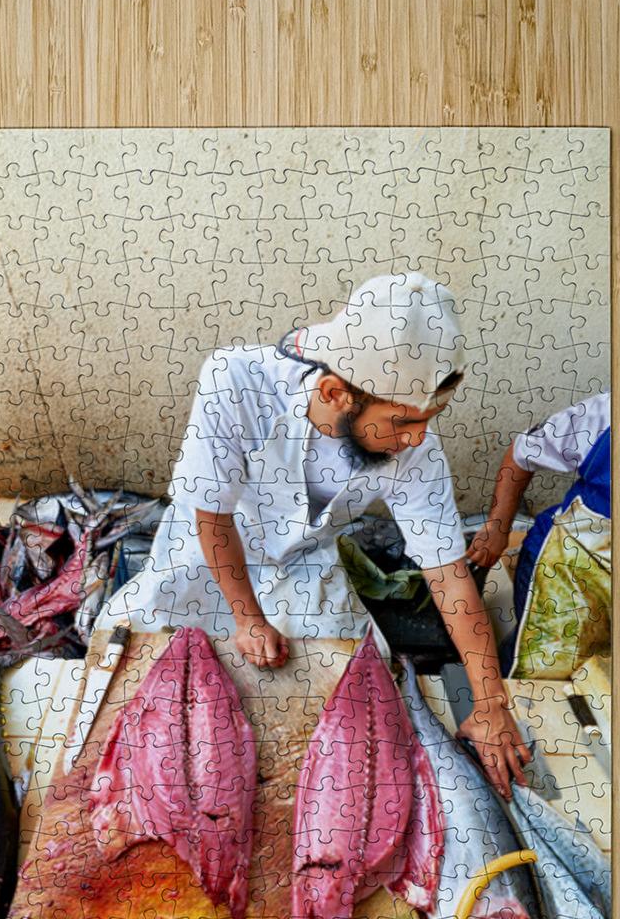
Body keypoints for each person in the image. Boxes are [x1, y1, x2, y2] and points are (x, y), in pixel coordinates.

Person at [96, 273, 530, 796]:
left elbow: (450, 578)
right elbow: (210, 516)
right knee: (132, 686)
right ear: (335, 392)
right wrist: (248, 620)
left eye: (429, 419)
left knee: (349, 721)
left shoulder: (418, 448)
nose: (416, 438)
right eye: (400, 423)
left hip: (306, 562)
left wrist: (489, 704)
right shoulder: (234, 379)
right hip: (209, 551)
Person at [466, 389, 611, 677]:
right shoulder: (607, 415)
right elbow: (522, 453)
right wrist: (498, 526)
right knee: (539, 670)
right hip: (566, 576)